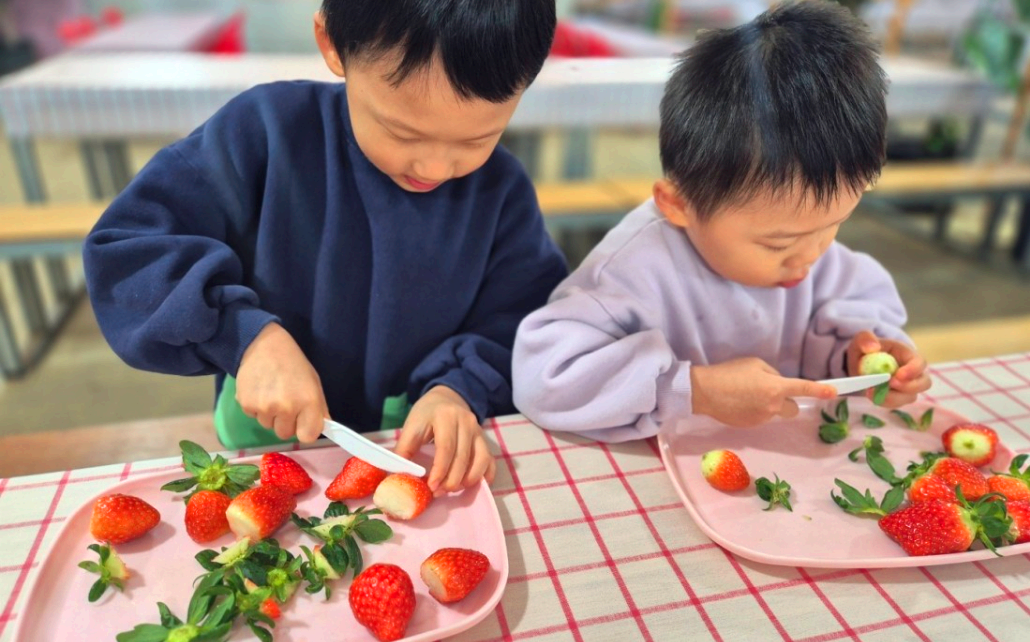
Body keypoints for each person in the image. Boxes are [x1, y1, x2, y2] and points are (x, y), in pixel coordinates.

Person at [83, 0, 567, 494]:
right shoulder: (264, 133)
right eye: (402, 132)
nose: (434, 169)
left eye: (477, 140)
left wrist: (457, 389)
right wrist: (246, 338)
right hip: (271, 448)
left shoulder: (500, 189)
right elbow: (130, 250)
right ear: (332, 44)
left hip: (413, 447)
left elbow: (522, 314)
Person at [512, 1, 931, 443]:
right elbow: (543, 378)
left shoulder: (814, 253)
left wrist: (860, 358)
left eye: (834, 225)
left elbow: (843, 324)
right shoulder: (631, 271)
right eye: (777, 245)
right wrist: (695, 390)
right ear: (679, 205)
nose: (809, 258)